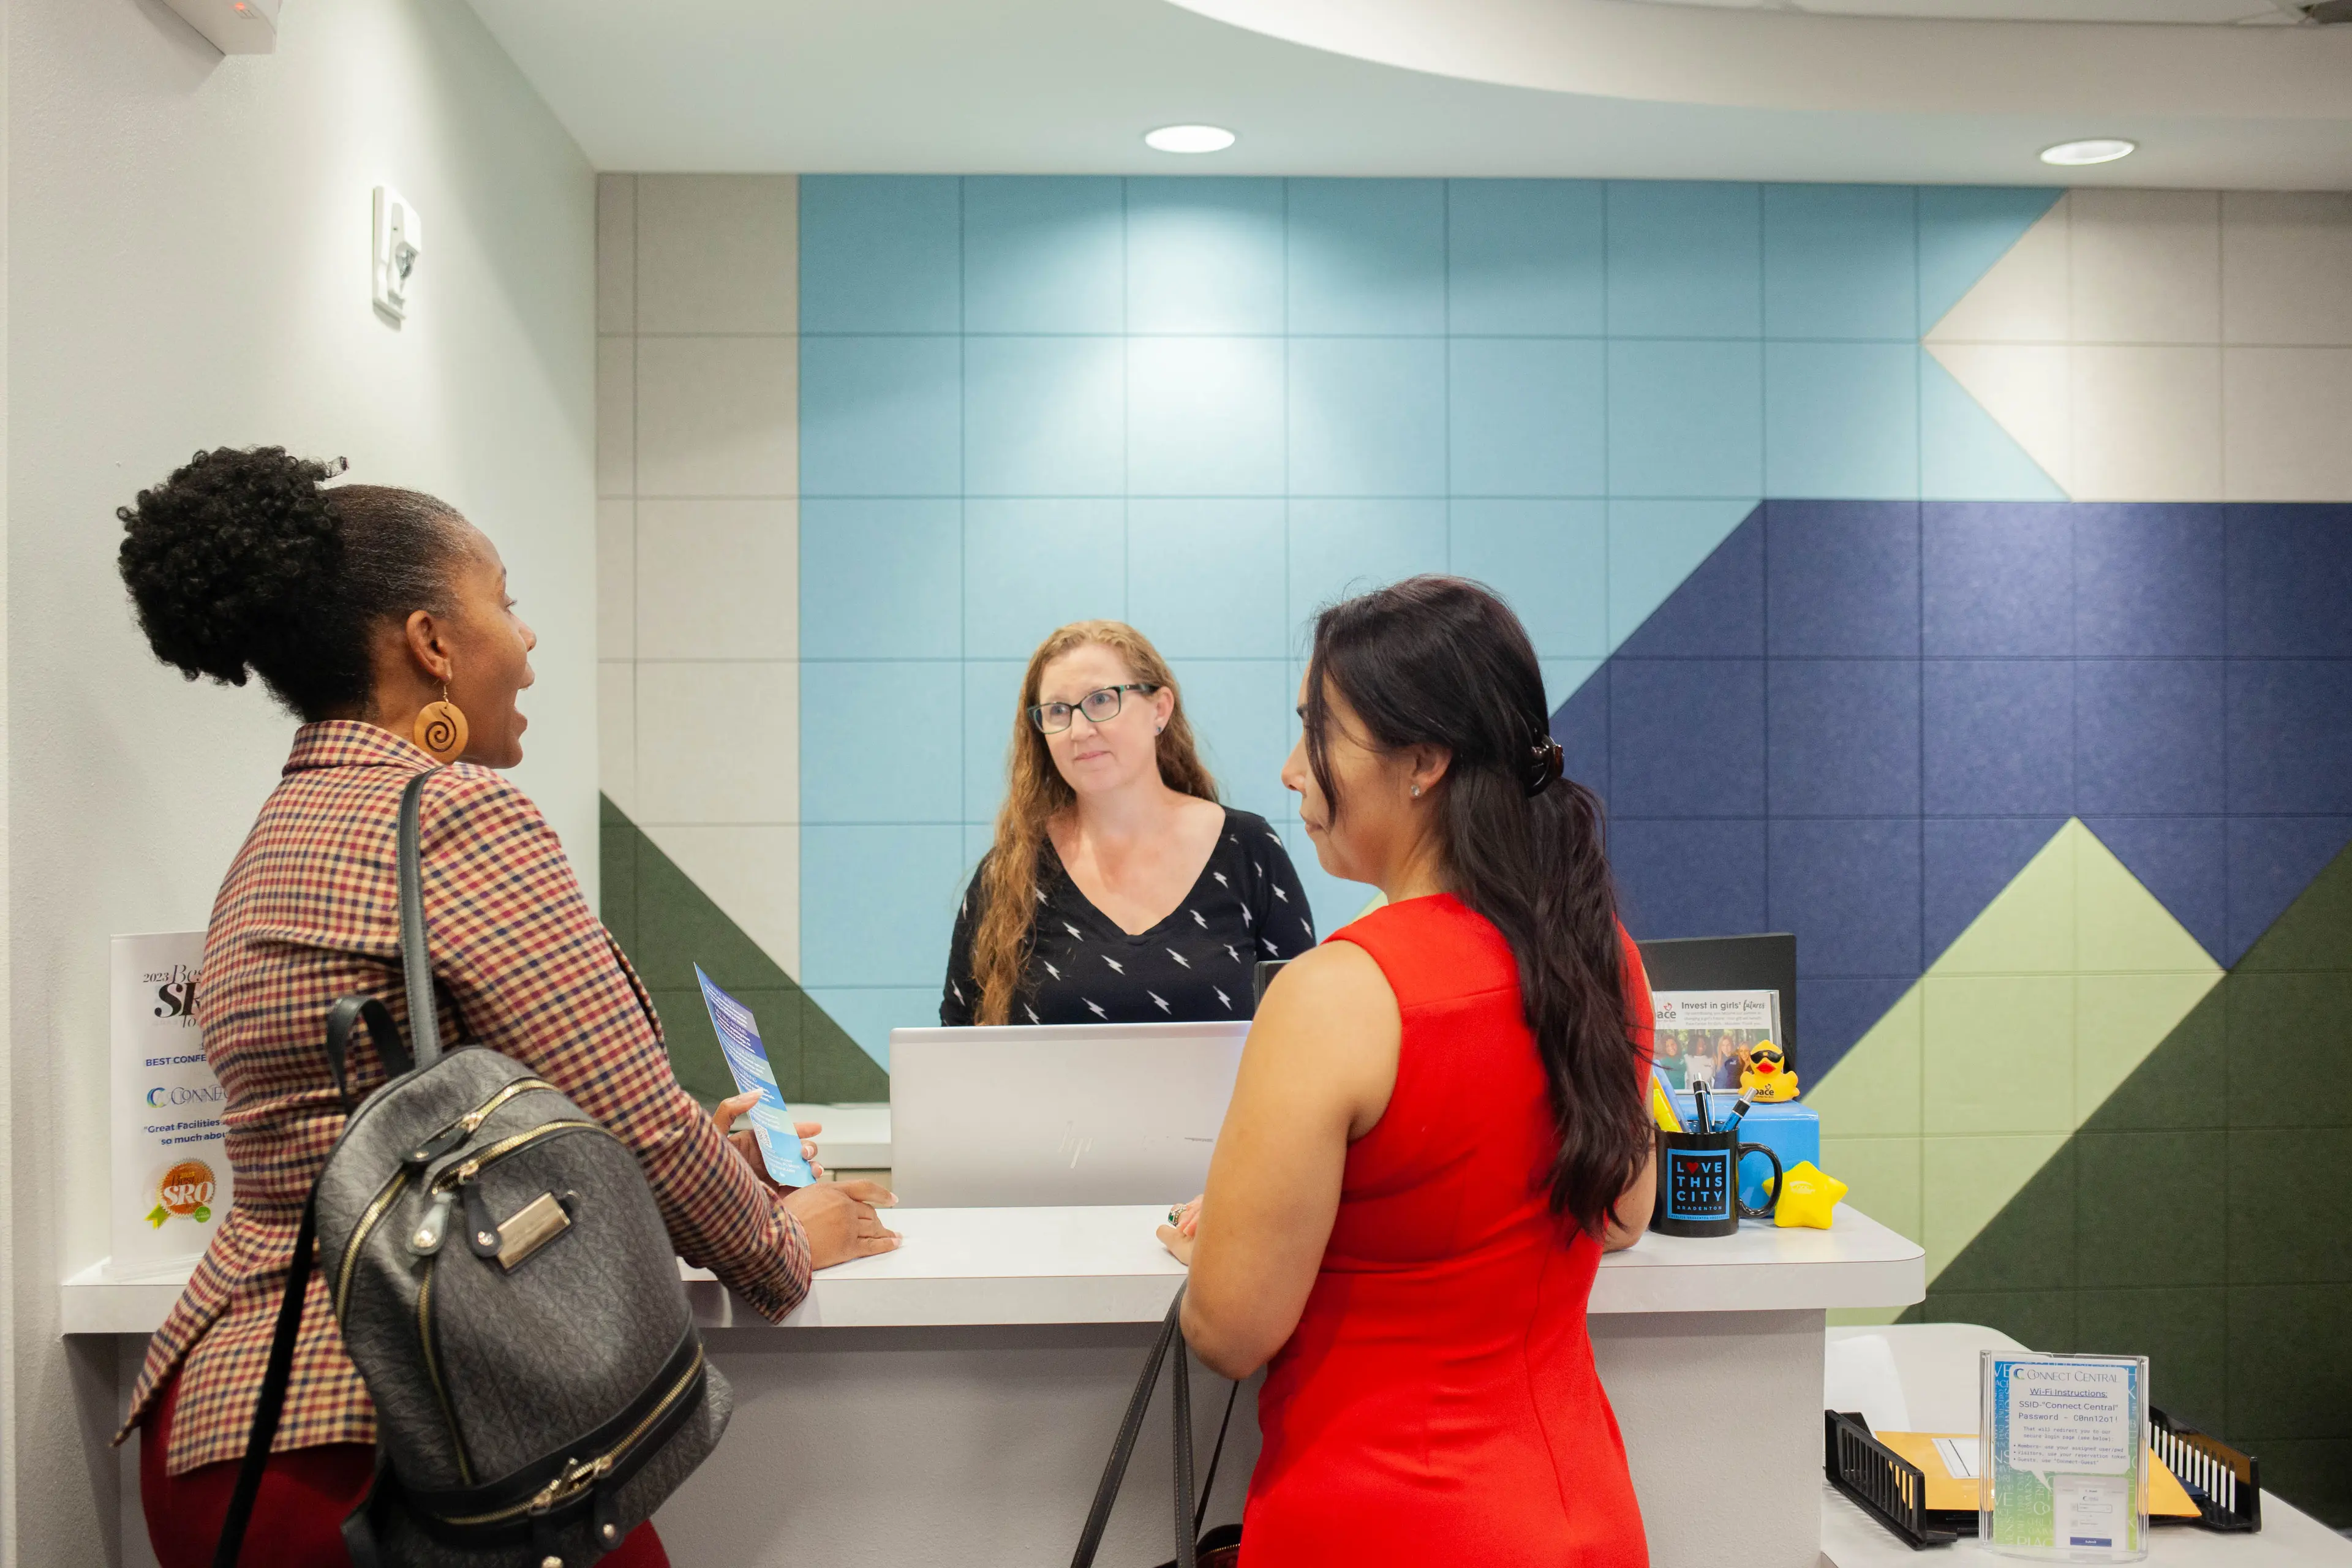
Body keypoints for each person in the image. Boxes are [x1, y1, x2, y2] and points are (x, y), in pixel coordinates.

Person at [111, 448, 902, 1568]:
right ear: (431, 643)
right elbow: (640, 1120)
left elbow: (438, 1138)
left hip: (226, 1429)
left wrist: (662, 1165)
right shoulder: (449, 814)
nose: (527, 641)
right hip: (405, 1444)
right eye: (505, 602)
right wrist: (781, 1244)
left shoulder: (275, 835)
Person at [1159, 576, 1656, 1567]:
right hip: (1582, 1511)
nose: (1291, 771)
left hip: (1383, 1519)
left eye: (1318, 732)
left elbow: (1229, 1329)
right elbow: (1622, 1213)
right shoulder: (1600, 955)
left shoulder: (1335, 994)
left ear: (1425, 761)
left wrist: (1233, 1237)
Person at [942, 619, 1314, 1027]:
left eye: (1102, 700)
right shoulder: (1009, 874)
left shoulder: (1248, 849)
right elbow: (956, 1043)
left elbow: (1307, 1021)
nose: (1079, 730)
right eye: (1058, 711)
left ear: (1160, 709)